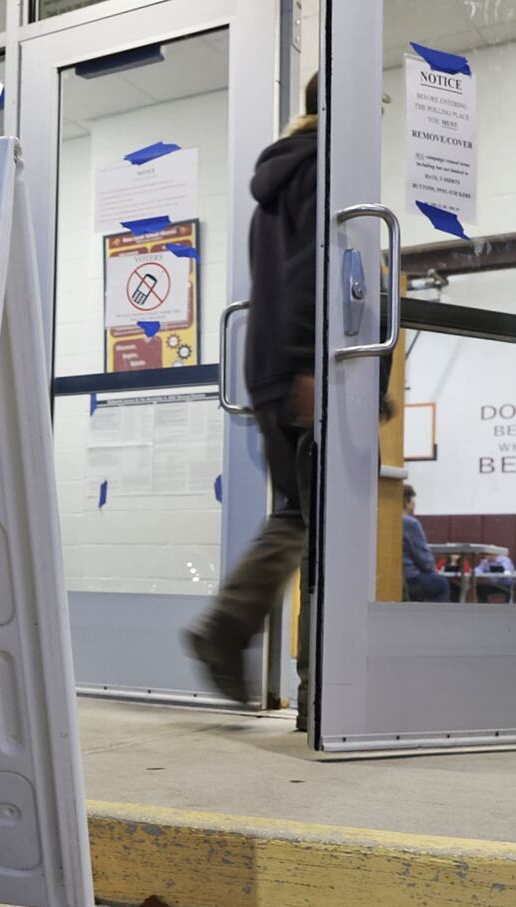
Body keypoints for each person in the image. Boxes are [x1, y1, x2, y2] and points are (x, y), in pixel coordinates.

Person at [181, 74, 321, 721]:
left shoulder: (278, 177)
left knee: (298, 514)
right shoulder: (323, 167)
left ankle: (239, 634)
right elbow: (308, 276)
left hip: (270, 368)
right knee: (315, 524)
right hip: (304, 372)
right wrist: (310, 367)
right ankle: (316, 687)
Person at [402, 484, 450, 602]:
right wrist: (433, 571)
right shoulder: (410, 523)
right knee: (441, 584)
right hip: (410, 578)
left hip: (393, 577)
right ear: (407, 501)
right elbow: (425, 561)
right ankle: (434, 619)